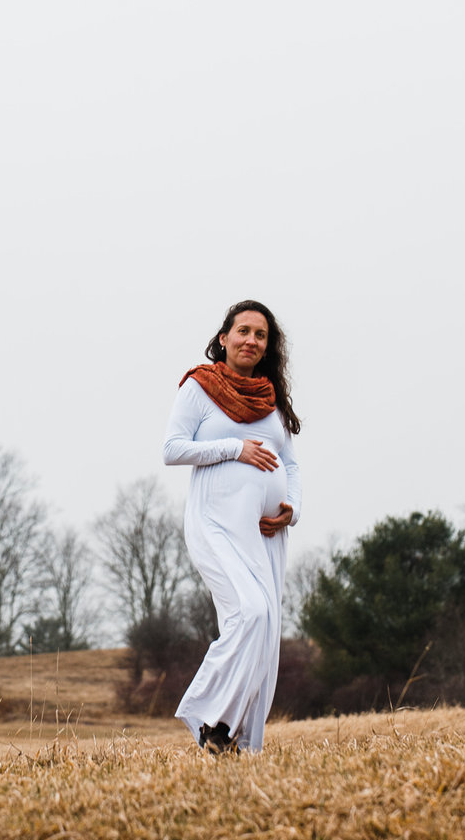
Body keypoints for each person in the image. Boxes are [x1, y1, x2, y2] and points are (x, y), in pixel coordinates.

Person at [163, 299, 302, 754]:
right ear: (224, 338)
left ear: (267, 346)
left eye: (260, 335)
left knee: (263, 631)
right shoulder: (199, 387)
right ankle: (209, 715)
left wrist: (291, 508)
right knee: (251, 613)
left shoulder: (271, 399)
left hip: (265, 533)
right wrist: (233, 449)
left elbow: (291, 464)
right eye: (243, 331)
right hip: (215, 522)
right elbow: (173, 449)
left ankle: (235, 742)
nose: (251, 341)